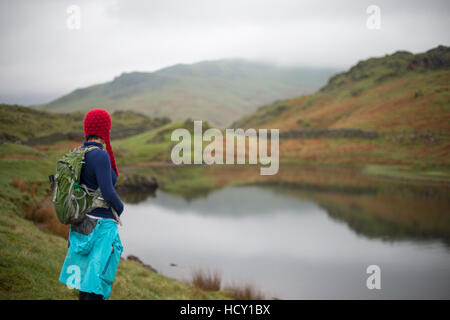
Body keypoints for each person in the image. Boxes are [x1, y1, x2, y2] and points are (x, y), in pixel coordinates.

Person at [59, 108, 124, 300]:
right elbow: (108, 192)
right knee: (97, 283)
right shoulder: (100, 156)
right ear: (105, 130)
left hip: (81, 222)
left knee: (84, 281)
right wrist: (119, 208)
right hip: (101, 226)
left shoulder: (79, 153)